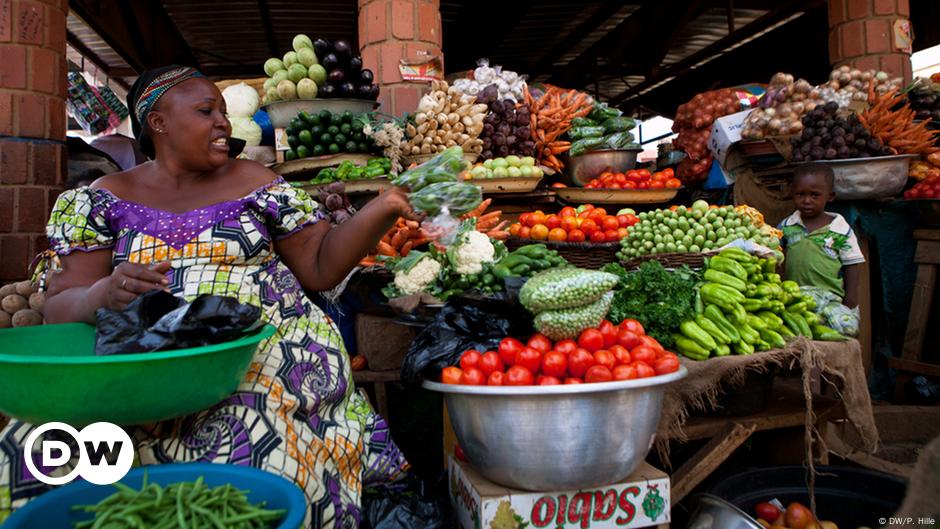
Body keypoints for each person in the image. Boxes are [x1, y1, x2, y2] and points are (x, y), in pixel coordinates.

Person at [0, 66, 417, 528]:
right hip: (140, 365)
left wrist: (384, 208)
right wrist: (101, 293)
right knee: (38, 454)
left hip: (259, 355)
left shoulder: (257, 183)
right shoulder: (102, 199)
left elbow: (320, 267)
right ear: (158, 123)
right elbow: (61, 305)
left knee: (260, 458)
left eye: (222, 110)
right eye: (206, 111)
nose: (222, 122)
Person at [778, 164, 864, 334]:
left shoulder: (840, 230)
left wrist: (850, 301)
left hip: (830, 299)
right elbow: (776, 257)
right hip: (797, 298)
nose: (807, 200)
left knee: (841, 331)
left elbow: (852, 265)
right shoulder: (787, 226)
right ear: (792, 193)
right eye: (800, 194)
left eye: (815, 195)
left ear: (830, 196)